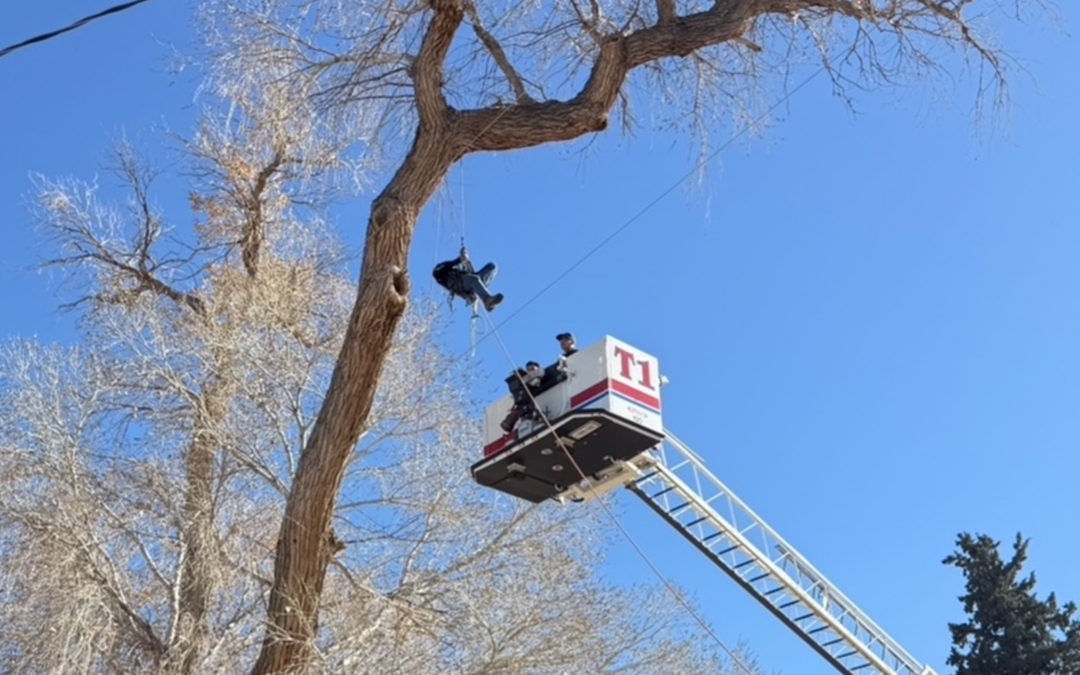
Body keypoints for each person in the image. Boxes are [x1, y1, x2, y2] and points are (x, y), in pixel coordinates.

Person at [432, 246, 504, 311]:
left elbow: (472, 273)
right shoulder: (441, 274)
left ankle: (479, 292)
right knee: (473, 280)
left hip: (472, 281)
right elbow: (436, 271)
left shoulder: (464, 267)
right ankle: (487, 300)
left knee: (492, 266)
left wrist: (466, 261)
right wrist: (459, 260)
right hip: (460, 285)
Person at [500, 361, 544, 433]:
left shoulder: (539, 373)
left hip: (531, 402)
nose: (531, 370)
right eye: (529, 368)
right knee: (519, 413)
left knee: (531, 412)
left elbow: (536, 379)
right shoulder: (521, 384)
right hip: (523, 403)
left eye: (532, 368)